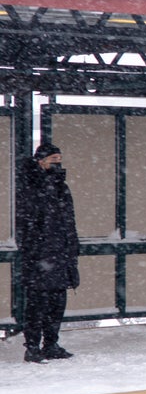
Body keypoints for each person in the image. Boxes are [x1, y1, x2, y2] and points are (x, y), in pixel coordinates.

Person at [15, 142, 80, 362]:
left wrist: (71, 248)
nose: (57, 165)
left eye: (59, 160)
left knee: (57, 303)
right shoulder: (30, 184)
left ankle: (51, 344)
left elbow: (68, 221)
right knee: (38, 303)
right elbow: (28, 220)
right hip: (40, 256)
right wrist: (34, 249)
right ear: (41, 161)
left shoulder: (60, 186)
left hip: (59, 254)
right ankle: (33, 347)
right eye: (53, 160)